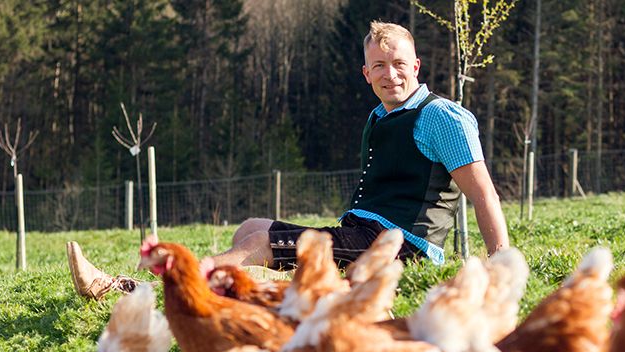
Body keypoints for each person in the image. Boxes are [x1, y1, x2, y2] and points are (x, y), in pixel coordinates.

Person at [68, 21, 509, 298]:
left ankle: (137, 289)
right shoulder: (380, 116)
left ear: (416, 65)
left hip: (401, 251)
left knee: (261, 245)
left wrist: (500, 265)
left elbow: (483, 194)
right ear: (365, 73)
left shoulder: (441, 117)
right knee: (252, 229)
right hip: (364, 235)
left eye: (398, 64)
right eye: (378, 66)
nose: (389, 74)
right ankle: (243, 293)